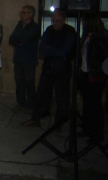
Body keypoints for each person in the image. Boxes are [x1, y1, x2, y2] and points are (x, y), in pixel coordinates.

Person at [21, 9, 76, 128]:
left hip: (62, 70)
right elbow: (42, 50)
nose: (55, 23)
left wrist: (51, 49)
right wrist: (54, 50)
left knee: (62, 97)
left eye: (58, 21)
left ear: (63, 21)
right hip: (48, 69)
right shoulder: (49, 30)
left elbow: (65, 51)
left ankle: (59, 123)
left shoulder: (70, 32)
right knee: (41, 94)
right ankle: (35, 119)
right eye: (53, 21)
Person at [79, 12, 106, 143]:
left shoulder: (100, 37)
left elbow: (101, 56)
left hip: (95, 75)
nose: (82, 23)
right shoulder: (85, 37)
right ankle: (87, 129)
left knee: (95, 105)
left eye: (84, 21)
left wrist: (94, 38)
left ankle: (98, 133)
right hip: (84, 73)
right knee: (87, 104)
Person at [9, 5, 40, 109]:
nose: (21, 14)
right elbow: (11, 39)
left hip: (29, 60)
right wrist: (20, 42)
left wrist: (20, 41)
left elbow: (26, 40)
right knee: (19, 82)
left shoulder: (35, 27)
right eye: (21, 12)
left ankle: (31, 105)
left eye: (24, 12)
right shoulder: (19, 25)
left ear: (30, 14)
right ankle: (21, 103)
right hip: (18, 58)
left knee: (29, 82)